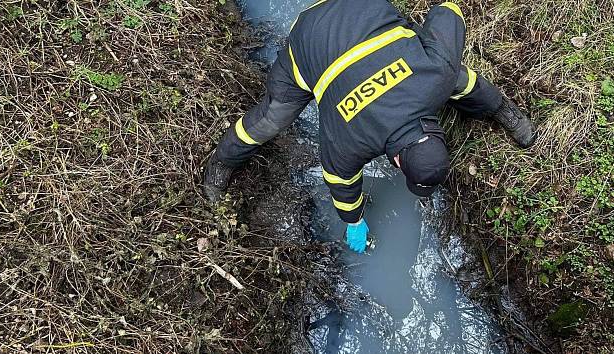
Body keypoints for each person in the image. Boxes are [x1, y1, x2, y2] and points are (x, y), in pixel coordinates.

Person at [203, 0, 536, 254]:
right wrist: (354, 222)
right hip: (310, 39)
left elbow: (448, 9)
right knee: (270, 119)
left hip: (364, 10)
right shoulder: (348, 141)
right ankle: (222, 161)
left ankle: (506, 113)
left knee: (457, 78)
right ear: (398, 162)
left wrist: (420, 47)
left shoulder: (435, 76)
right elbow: (339, 181)